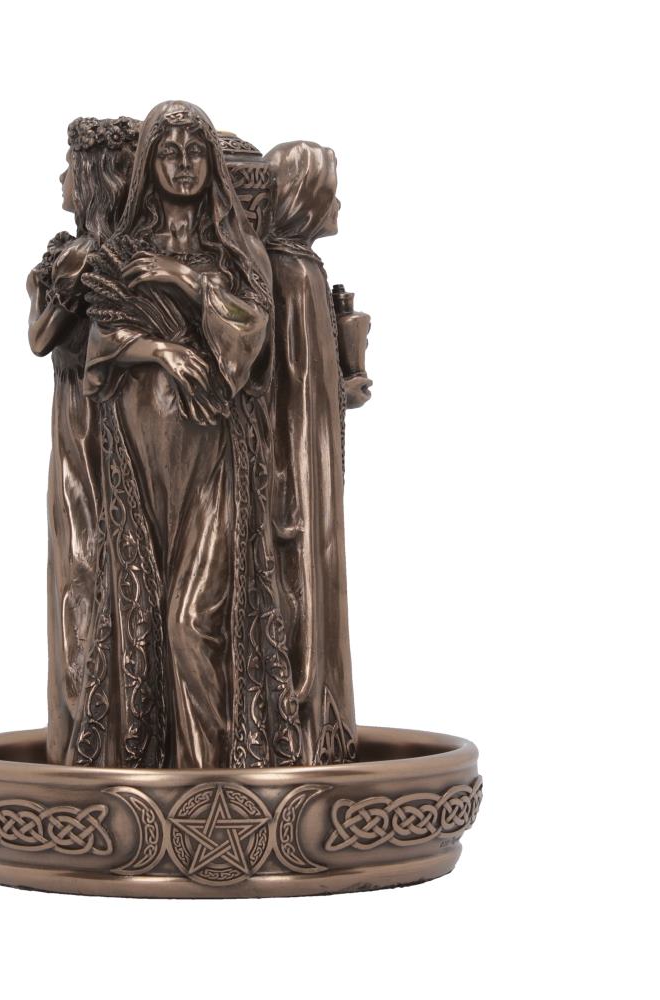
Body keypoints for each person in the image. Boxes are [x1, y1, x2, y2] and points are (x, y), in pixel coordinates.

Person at [74, 101, 302, 768]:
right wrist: (162, 352)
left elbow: (251, 339)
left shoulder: (236, 252)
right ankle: (152, 765)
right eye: (168, 151)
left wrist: (184, 279)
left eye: (194, 150)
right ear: (148, 163)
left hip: (215, 458)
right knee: (141, 617)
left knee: (190, 620)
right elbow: (100, 340)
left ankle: (212, 778)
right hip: (141, 459)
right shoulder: (122, 250)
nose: (182, 164)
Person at [26, 116, 138, 765]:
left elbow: (45, 338)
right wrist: (58, 289)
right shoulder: (68, 255)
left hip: (107, 415)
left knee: (98, 560)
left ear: (95, 178)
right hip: (80, 414)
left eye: (71, 168)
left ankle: (107, 726)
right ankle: (86, 726)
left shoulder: (106, 257)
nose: (62, 179)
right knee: (81, 562)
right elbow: (42, 338)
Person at [263, 140, 372, 764]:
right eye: (329, 190)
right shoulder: (292, 273)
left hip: (307, 461)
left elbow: (306, 383)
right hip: (296, 470)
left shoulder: (299, 268)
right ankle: (302, 730)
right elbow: (291, 389)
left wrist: (341, 389)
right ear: (303, 197)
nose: (338, 205)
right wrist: (340, 390)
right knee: (300, 585)